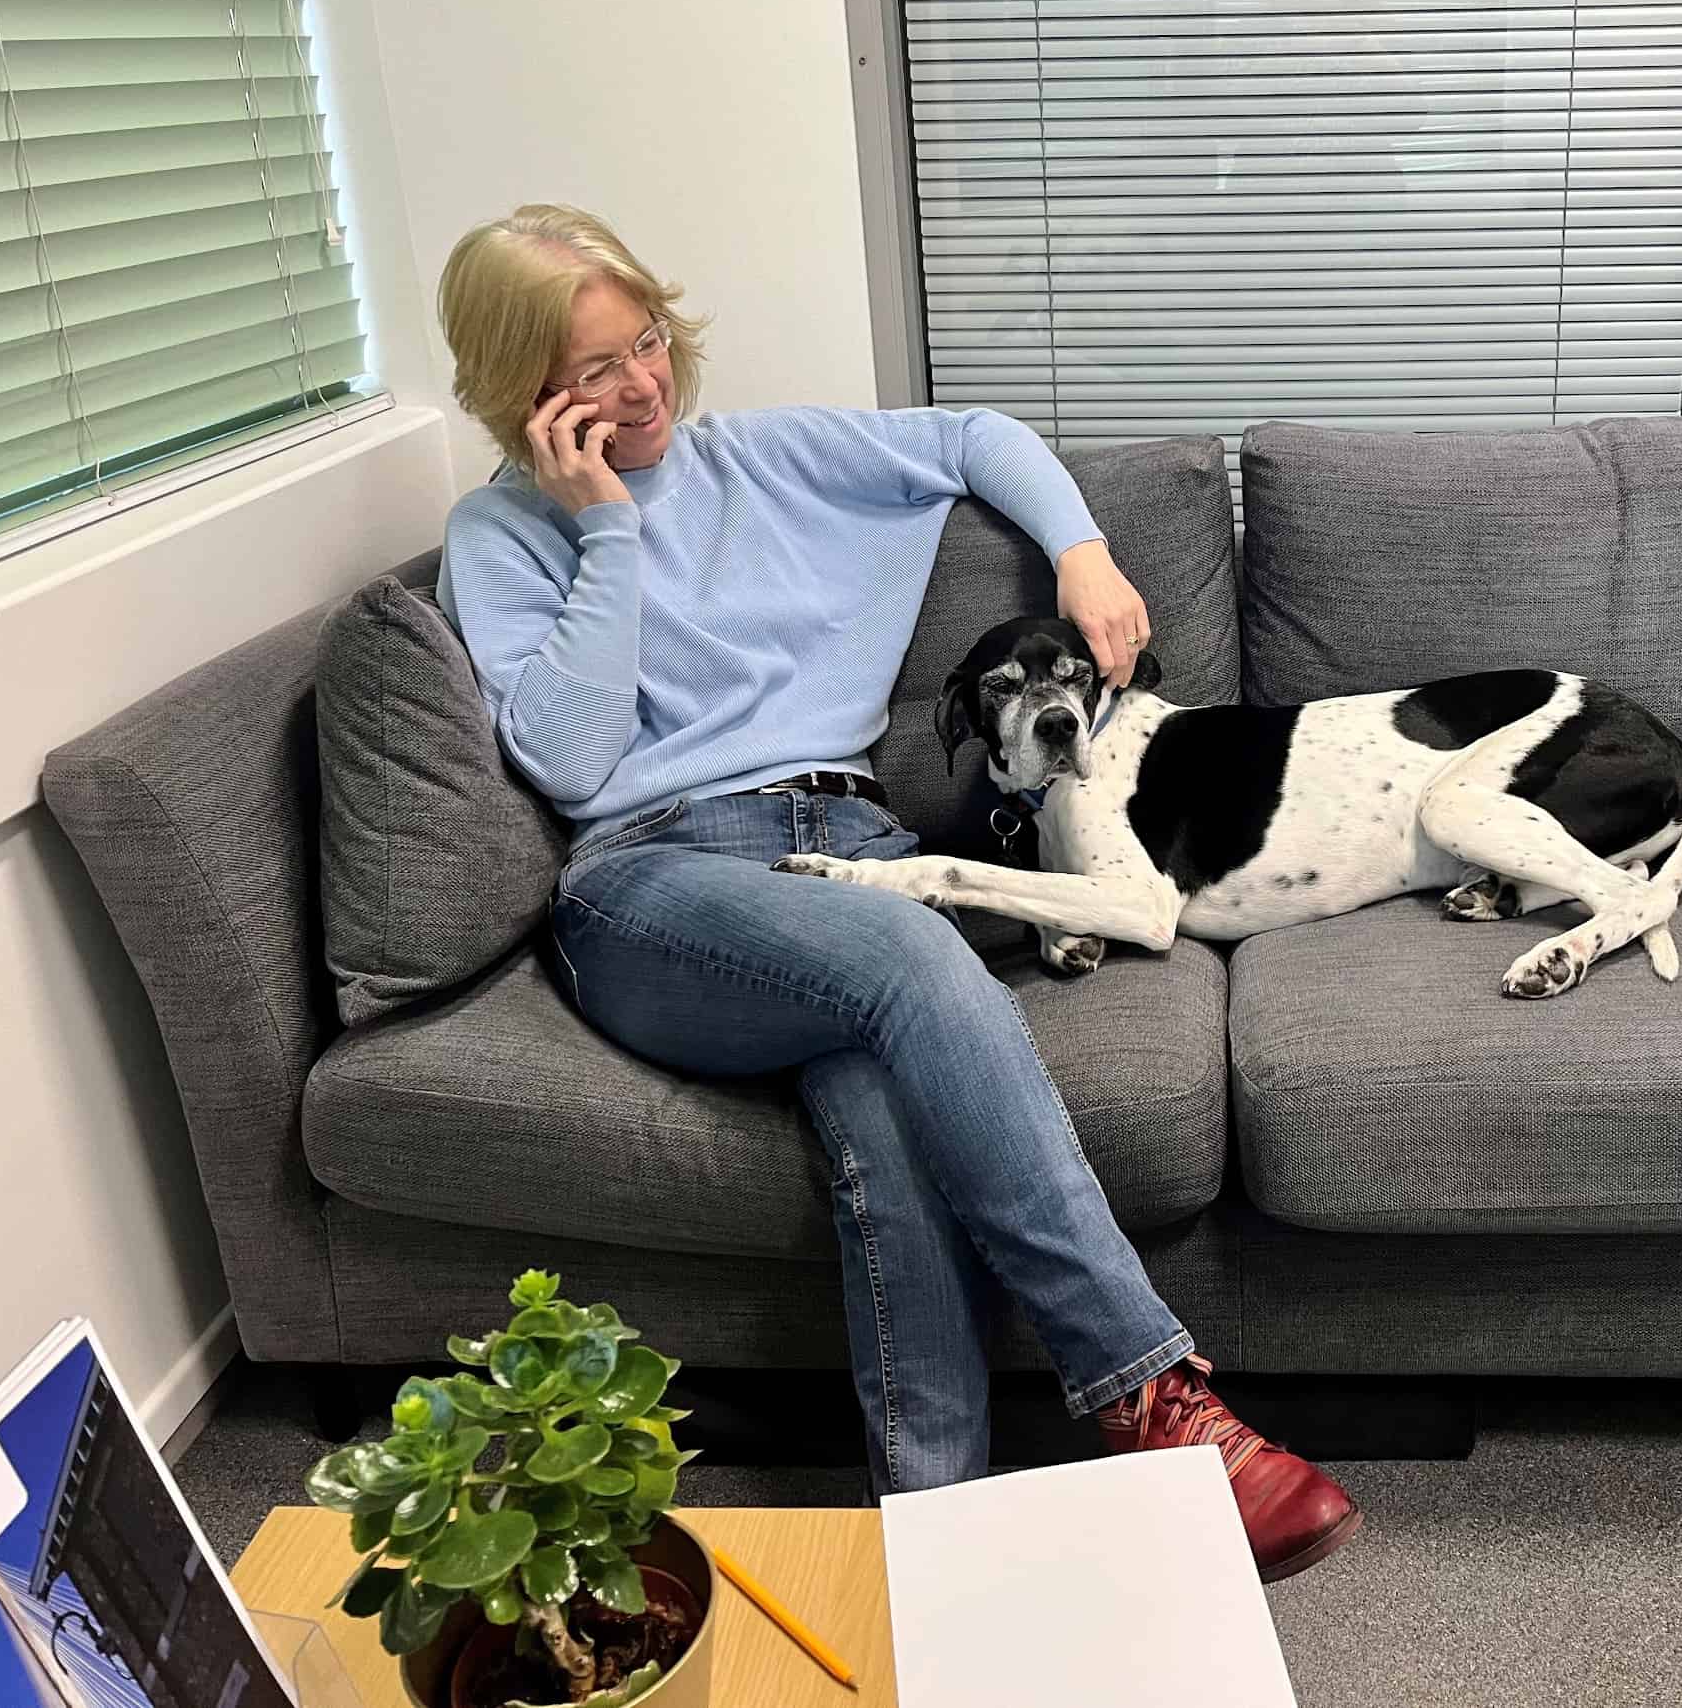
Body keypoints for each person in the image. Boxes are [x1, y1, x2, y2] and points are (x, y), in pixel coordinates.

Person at [431, 204, 1360, 1580]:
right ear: (526, 397)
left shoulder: (770, 456)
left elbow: (977, 435)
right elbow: (566, 763)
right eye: (596, 372)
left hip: (848, 842)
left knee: (886, 1105)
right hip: (655, 877)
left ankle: (935, 1547)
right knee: (916, 957)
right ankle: (1153, 1397)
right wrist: (608, 535)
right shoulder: (501, 538)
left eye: (648, 341)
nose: (644, 385)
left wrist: (1083, 553)